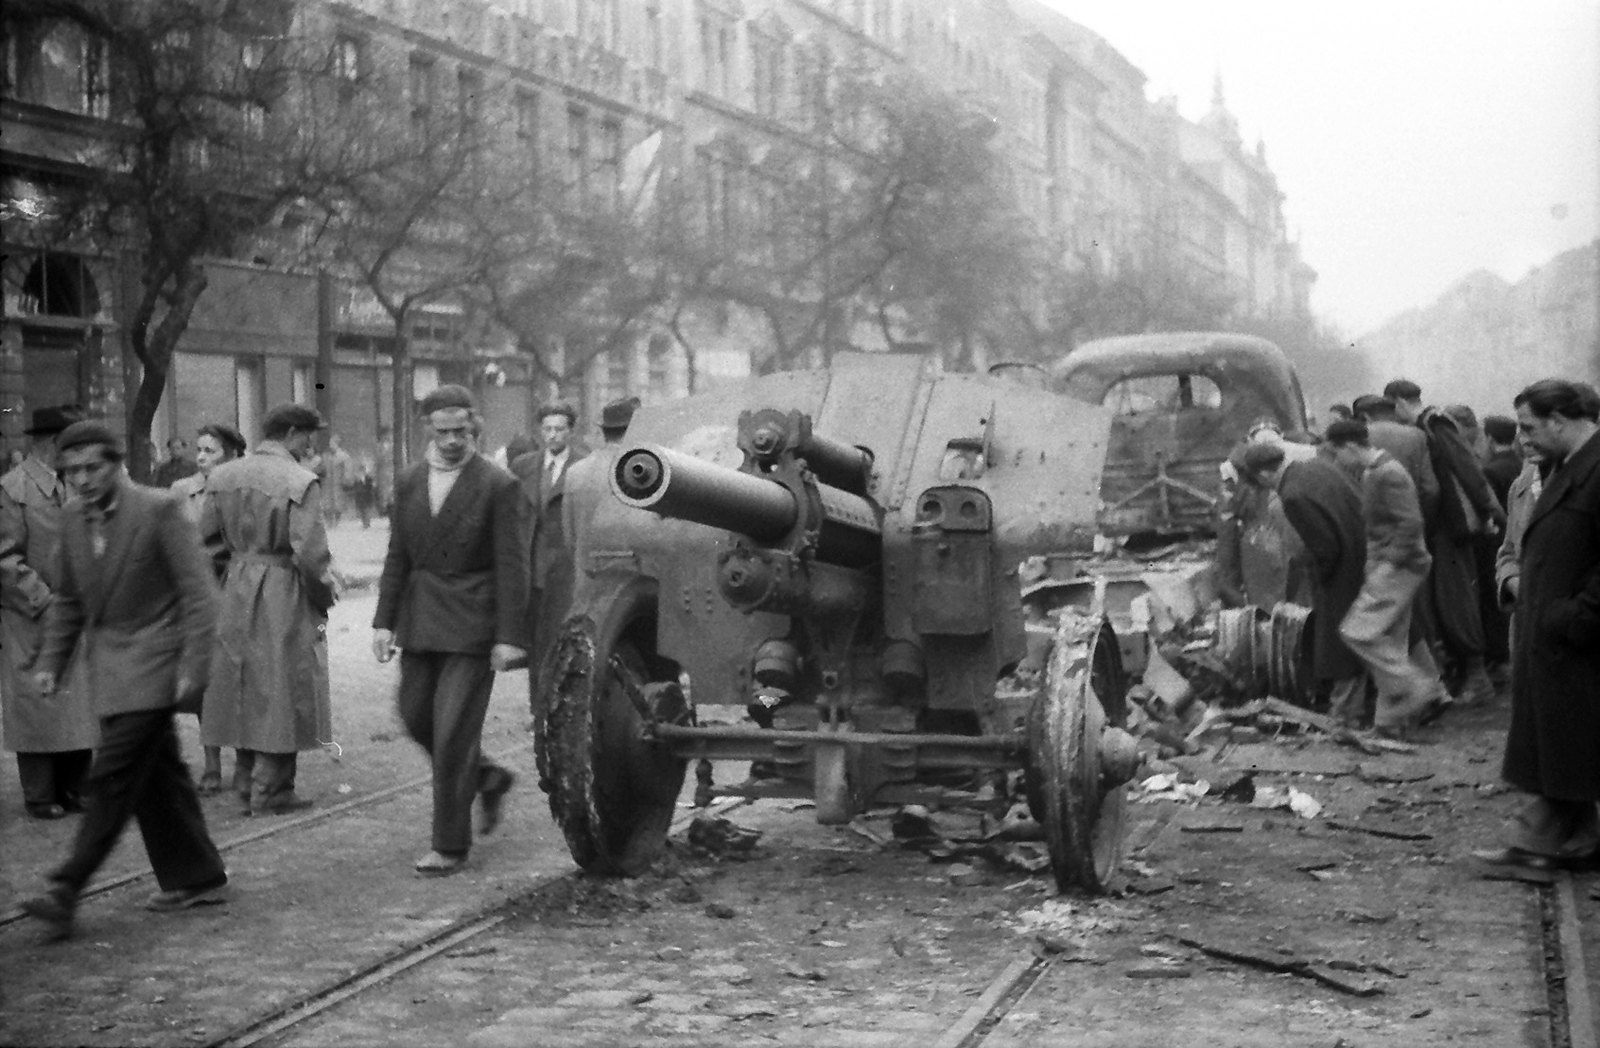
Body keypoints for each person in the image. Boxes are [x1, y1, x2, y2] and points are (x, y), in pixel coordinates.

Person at [19, 421, 227, 940]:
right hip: (110, 665)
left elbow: (201, 596)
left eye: (93, 467)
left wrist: (194, 670)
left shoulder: (159, 509)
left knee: (111, 775)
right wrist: (51, 662)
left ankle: (65, 889)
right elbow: (68, 599)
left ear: (117, 464)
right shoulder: (71, 516)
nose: (83, 479)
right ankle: (197, 875)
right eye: (72, 471)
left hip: (158, 662)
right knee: (158, 774)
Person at [373, 385, 527, 876]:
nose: (454, 440)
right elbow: (398, 553)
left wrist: (509, 636)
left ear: (474, 427)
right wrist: (382, 620)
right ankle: (488, 778)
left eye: (463, 431)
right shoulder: (409, 480)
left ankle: (450, 844)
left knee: (454, 731)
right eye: (444, 432)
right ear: (427, 428)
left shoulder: (496, 484)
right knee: (415, 714)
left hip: (472, 621)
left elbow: (511, 564)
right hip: (420, 619)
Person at [1478, 379, 1600, 869]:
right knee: (1562, 742)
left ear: (1559, 420)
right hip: (1553, 633)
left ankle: (1545, 840)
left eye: (1530, 427)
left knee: (1568, 739)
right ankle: (1571, 838)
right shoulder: (1565, 468)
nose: (1522, 437)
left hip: (1576, 634)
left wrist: (1576, 615)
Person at [199, 404, 338, 816]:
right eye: (309, 435)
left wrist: (228, 582)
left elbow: (207, 546)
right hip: (283, 588)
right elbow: (311, 555)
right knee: (283, 686)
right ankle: (271, 788)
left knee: (241, 682)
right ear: (292, 433)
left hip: (236, 586)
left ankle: (244, 781)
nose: (311, 444)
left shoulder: (223, 477)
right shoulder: (299, 480)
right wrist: (323, 597)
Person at [1384, 379, 1506, 707]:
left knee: (1457, 600)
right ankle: (1469, 676)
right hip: (1447, 526)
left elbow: (1466, 467)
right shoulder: (1429, 425)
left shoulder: (1434, 422)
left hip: (1453, 528)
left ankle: (1478, 680)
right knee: (1449, 599)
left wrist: (1488, 510)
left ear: (1397, 402)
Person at [1322, 420, 1448, 735]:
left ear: (1350, 446)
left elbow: (1410, 524)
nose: (1337, 461)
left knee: (1357, 632)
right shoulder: (1373, 472)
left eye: (1337, 453)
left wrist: (1387, 566)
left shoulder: (1389, 474)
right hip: (1394, 564)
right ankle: (1390, 724)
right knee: (1391, 640)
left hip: (1400, 566)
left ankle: (1419, 688)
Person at [0, 406, 95, 819]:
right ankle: (40, 794)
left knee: (78, 702)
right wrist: (42, 599)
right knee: (37, 703)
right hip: (30, 615)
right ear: (52, 443)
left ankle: (76, 787)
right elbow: (5, 557)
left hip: (76, 613)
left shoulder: (77, 485)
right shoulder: (12, 489)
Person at [1240, 441, 1367, 722]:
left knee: (1339, 643)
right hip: (1364, 555)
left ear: (1263, 475)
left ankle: (1346, 714)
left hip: (1341, 570)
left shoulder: (1292, 495)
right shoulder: (1318, 466)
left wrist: (1321, 580)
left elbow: (1325, 547)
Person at [169, 422, 248, 793]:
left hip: (239, 594)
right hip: (198, 599)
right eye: (199, 450)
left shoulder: (244, 490)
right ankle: (212, 764)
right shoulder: (181, 492)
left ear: (231, 455)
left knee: (242, 680)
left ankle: (246, 763)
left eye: (211, 451)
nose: (201, 458)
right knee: (204, 682)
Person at [510, 403, 588, 687]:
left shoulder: (583, 465)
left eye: (559, 429)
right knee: (536, 643)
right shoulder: (524, 466)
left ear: (571, 431)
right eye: (547, 429)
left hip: (566, 569)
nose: (552, 435)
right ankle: (538, 710)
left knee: (564, 641)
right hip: (532, 568)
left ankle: (564, 710)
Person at [322, 433, 353, 527]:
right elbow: (322, 468)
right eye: (330, 443)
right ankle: (329, 521)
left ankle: (336, 520)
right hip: (327, 483)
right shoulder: (325, 456)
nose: (330, 445)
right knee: (326, 503)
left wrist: (346, 479)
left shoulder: (343, 456)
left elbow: (347, 468)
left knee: (338, 503)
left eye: (332, 443)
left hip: (338, 483)